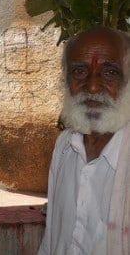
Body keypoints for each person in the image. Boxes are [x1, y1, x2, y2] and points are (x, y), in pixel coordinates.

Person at [38, 27, 130, 254]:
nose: (92, 86)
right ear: (65, 81)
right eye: (79, 71)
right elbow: (51, 240)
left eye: (110, 72)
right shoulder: (64, 147)